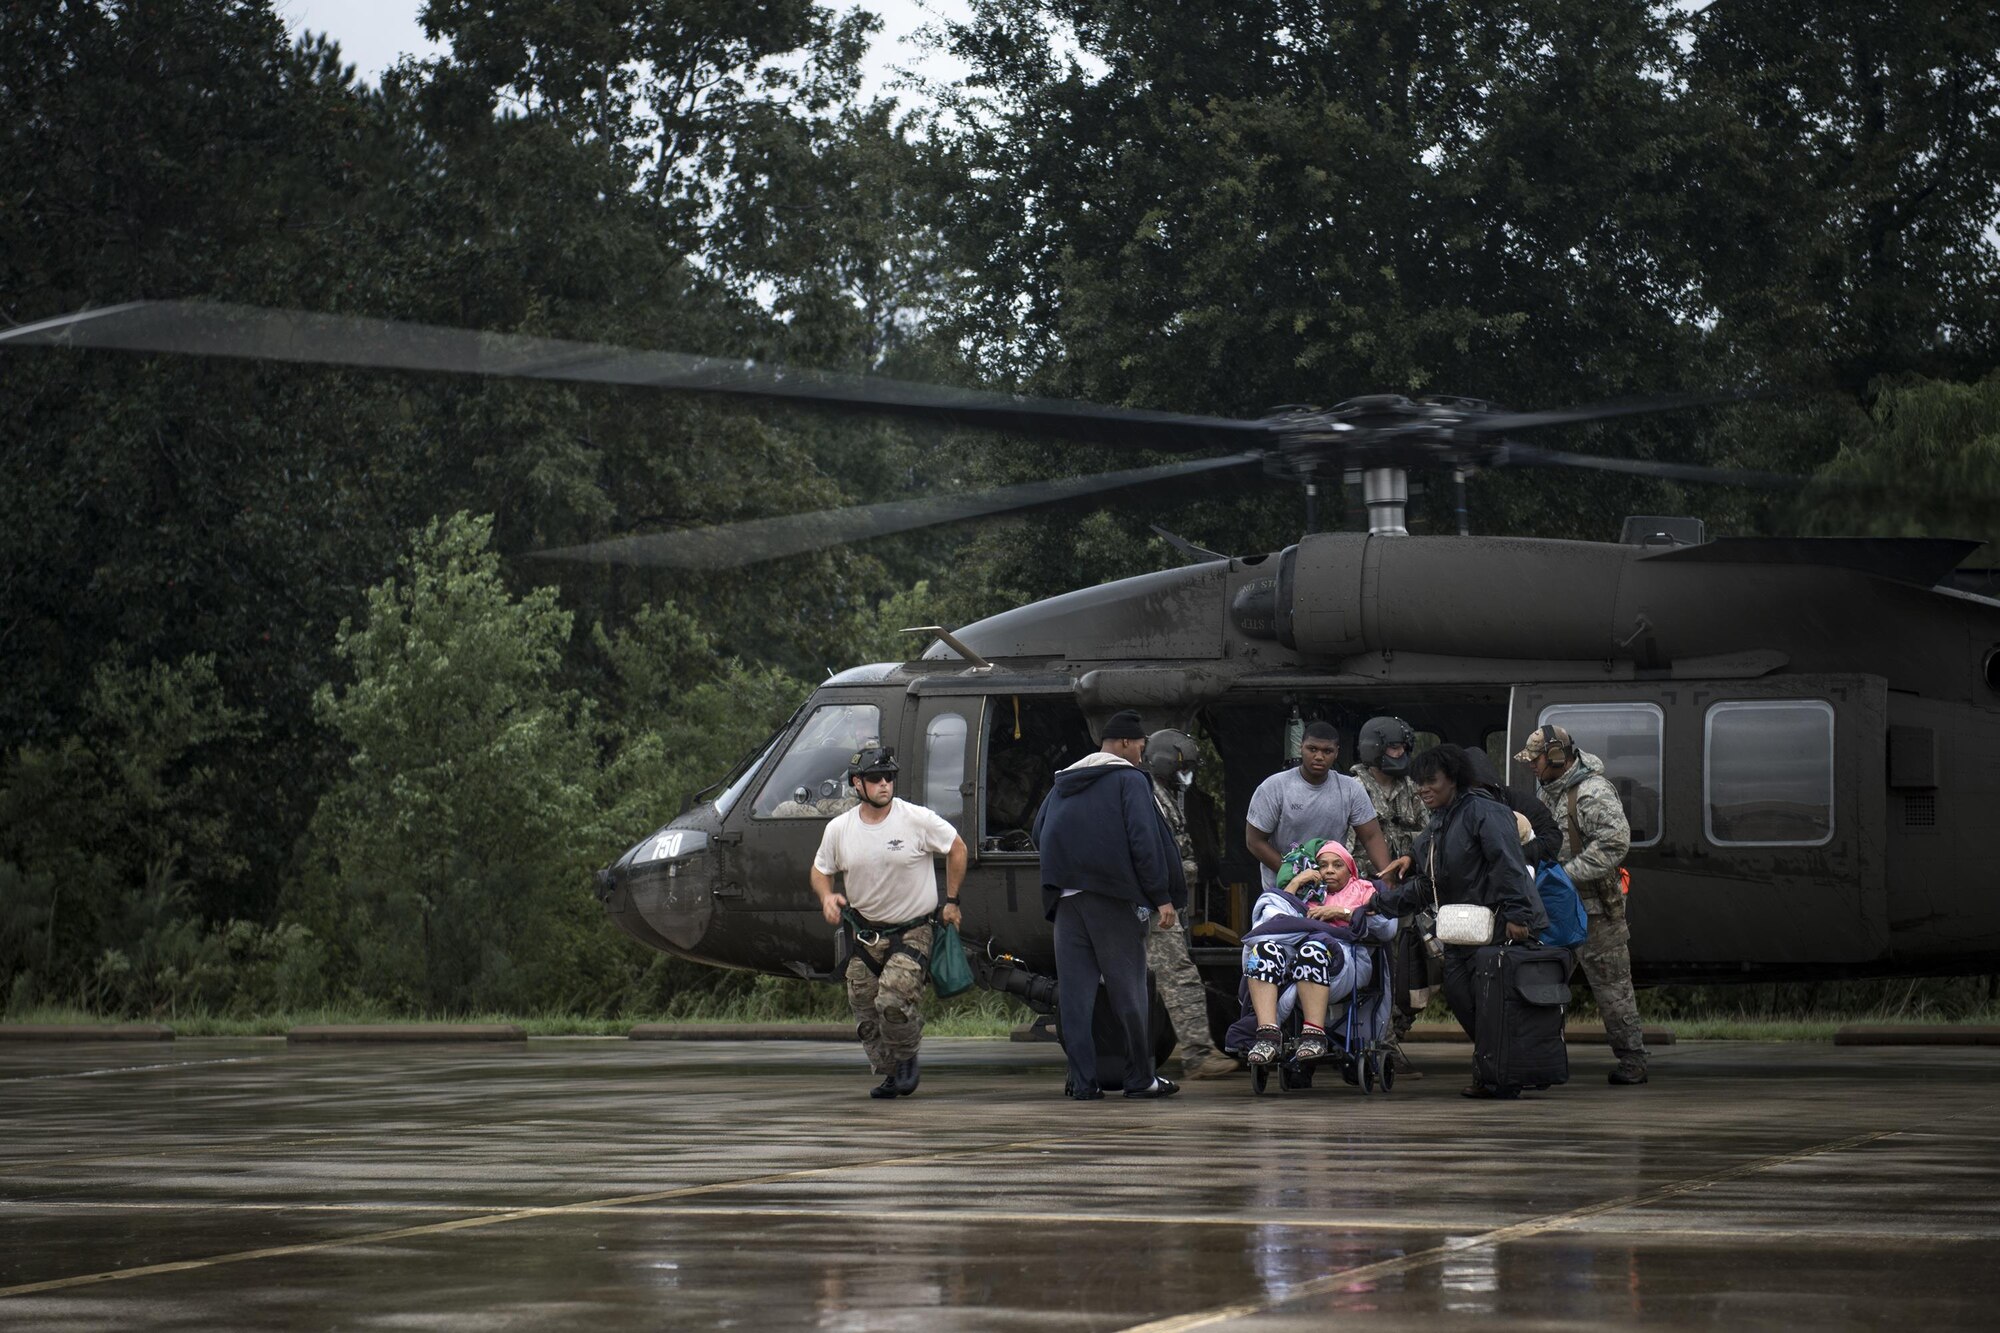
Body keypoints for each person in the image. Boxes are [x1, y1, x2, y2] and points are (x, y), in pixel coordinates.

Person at [1342, 743, 1546, 1099]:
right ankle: (1498, 1069)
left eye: (1431, 781)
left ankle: (1501, 1076)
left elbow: (1508, 864)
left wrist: (1518, 916)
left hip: (1496, 924)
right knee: (1461, 995)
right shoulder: (1438, 822)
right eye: (1418, 782)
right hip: (1461, 928)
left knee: (1491, 1001)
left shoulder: (1484, 811)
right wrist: (1378, 903)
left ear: (1452, 779)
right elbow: (1427, 883)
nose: (1423, 789)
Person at [1033, 709, 1187, 1100]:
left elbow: (1038, 830)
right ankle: (1140, 1079)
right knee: (1130, 993)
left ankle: (1083, 1083)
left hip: (1067, 900)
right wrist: (1161, 895)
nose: (1141, 752)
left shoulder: (1063, 781)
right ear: (1122, 743)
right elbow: (1143, 838)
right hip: (1113, 900)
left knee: (1076, 997)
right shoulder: (1129, 779)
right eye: (1139, 745)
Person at [809, 745, 968, 1100]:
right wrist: (826, 896)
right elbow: (820, 870)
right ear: (857, 784)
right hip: (866, 934)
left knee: (893, 1002)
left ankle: (908, 1058)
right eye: (875, 778)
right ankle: (890, 1072)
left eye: (889, 777)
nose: (884, 784)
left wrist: (952, 901)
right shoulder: (840, 829)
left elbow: (957, 848)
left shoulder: (917, 819)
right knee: (865, 1011)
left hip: (913, 929)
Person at [1519, 724, 1647, 1086]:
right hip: (1557, 910)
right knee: (1542, 986)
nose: (1532, 766)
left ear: (1557, 756)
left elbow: (1614, 843)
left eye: (1537, 759)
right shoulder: (1547, 792)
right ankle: (1540, 1058)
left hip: (1595, 912)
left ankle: (1632, 1058)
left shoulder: (1592, 792)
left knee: (1613, 989)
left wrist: (1565, 876)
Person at [1233, 838, 1396, 1065]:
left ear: (1351, 871)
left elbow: (1387, 927)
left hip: (1346, 961)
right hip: (1295, 961)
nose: (1329, 870)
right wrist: (1297, 881)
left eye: (1337, 865)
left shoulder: (1364, 889)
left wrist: (1343, 913)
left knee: (1314, 948)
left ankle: (1313, 1036)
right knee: (1263, 950)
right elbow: (1275, 912)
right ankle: (1267, 1036)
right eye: (1323, 865)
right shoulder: (1310, 892)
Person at [1142, 728, 1237, 1079]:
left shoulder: (1165, 795)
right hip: (1154, 906)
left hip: (1164, 903)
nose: (1190, 773)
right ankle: (1198, 1055)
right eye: (1186, 766)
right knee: (1179, 977)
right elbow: (1153, 855)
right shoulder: (1150, 797)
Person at [1351, 715, 1428, 1078]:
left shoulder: (1413, 788)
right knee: (1371, 971)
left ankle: (1392, 1033)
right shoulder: (1352, 787)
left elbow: (1430, 831)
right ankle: (1374, 1044)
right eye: (1394, 747)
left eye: (1403, 748)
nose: (1400, 754)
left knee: (1417, 968)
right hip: (1367, 895)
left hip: (1408, 892)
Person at [1245, 721, 1392, 893]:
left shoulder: (1351, 789)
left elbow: (1371, 836)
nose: (1319, 756)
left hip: (1333, 892)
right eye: (1312, 749)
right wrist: (1296, 875)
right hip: (1283, 892)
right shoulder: (1274, 787)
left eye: (1327, 751)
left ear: (1336, 752)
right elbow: (1254, 841)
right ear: (1300, 748)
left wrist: (1388, 878)